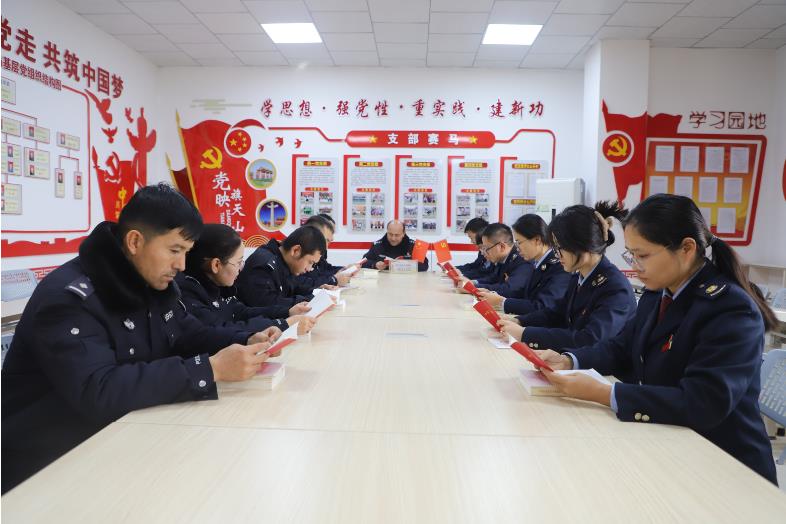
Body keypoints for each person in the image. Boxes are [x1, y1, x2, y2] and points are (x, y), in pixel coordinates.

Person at [1, 184, 278, 493]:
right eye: (174, 250)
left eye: (186, 252)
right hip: (46, 462)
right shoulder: (70, 299)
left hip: (122, 435)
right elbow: (99, 389)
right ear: (135, 241)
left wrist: (246, 338)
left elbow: (188, 333)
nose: (181, 265)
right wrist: (210, 369)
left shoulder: (150, 281)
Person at [529, 194, 778, 484]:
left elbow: (702, 403)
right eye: (631, 255)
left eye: (643, 255)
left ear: (687, 248)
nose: (635, 266)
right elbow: (622, 347)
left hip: (726, 466)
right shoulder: (658, 293)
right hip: (670, 443)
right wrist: (569, 359)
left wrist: (603, 393)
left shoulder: (729, 308)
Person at [498, 202, 636, 350]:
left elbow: (589, 339)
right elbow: (556, 313)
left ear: (582, 245)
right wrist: (519, 321)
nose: (557, 255)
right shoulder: (579, 277)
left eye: (560, 248)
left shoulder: (615, 288)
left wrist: (525, 334)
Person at [177, 223, 316, 336]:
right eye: (238, 262)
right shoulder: (188, 294)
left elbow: (241, 312)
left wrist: (287, 312)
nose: (241, 268)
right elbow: (223, 330)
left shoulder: (216, 284)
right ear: (216, 265)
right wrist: (283, 324)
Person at [479, 214, 570, 315]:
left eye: (519, 242)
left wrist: (502, 302)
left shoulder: (559, 266)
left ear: (537, 240)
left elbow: (543, 306)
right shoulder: (538, 263)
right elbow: (523, 294)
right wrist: (493, 294)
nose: (517, 248)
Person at [236, 225, 326, 308]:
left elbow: (294, 287)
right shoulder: (264, 266)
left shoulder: (283, 262)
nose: (310, 269)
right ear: (296, 250)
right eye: (310, 262)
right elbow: (268, 305)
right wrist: (308, 301)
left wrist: (317, 291)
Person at [459, 223, 532, 297]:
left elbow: (510, 289)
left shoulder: (521, 260)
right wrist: (473, 284)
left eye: (486, 248)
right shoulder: (503, 258)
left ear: (502, 247)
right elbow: (494, 279)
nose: (484, 253)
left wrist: (474, 288)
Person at [294, 215, 354, 289]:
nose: (332, 238)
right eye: (327, 240)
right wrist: (333, 280)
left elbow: (324, 269)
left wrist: (343, 270)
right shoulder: (300, 251)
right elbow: (299, 282)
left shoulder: (318, 251)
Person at [361, 220, 429, 271]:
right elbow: (363, 262)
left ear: (403, 233)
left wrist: (405, 264)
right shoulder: (377, 245)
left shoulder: (414, 245)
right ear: (387, 232)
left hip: (407, 281)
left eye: (397, 235)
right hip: (383, 282)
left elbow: (425, 266)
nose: (393, 238)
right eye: (390, 234)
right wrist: (375, 264)